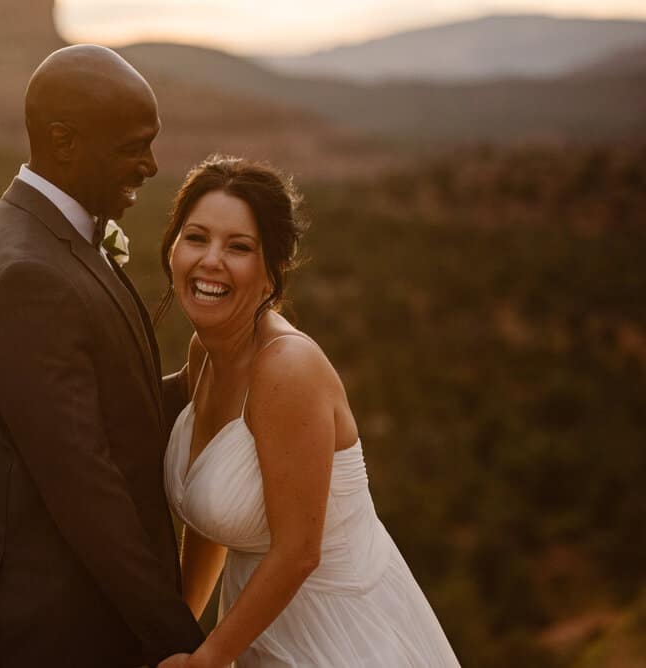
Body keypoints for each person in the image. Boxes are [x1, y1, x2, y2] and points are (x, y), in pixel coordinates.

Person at [0, 45, 204, 668]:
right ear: (64, 142)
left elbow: (108, 416)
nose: (150, 165)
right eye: (131, 146)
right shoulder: (25, 276)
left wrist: (209, 376)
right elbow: (87, 491)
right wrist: (191, 648)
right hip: (58, 629)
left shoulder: (54, 234)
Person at [156, 155, 460, 667]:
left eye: (239, 247)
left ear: (272, 267)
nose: (211, 260)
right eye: (196, 237)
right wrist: (175, 637)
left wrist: (207, 660)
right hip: (260, 631)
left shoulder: (287, 370)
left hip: (341, 639)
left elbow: (298, 551)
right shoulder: (204, 351)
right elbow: (210, 522)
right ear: (172, 247)